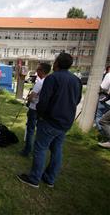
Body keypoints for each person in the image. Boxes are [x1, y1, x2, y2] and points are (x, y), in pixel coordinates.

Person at [17, 52, 82, 188]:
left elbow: (43, 101)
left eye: (55, 60)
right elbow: (77, 100)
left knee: (40, 148)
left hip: (50, 120)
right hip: (65, 122)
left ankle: (34, 179)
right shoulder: (76, 80)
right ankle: (49, 178)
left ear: (57, 63)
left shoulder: (52, 78)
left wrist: (40, 115)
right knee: (57, 149)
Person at [20, 63, 51, 157]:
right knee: (40, 130)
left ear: (42, 71)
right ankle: (37, 150)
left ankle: (27, 150)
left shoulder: (40, 82)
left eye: (38, 70)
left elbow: (32, 96)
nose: (36, 72)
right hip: (44, 110)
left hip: (34, 108)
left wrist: (30, 99)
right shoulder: (50, 82)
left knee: (30, 129)